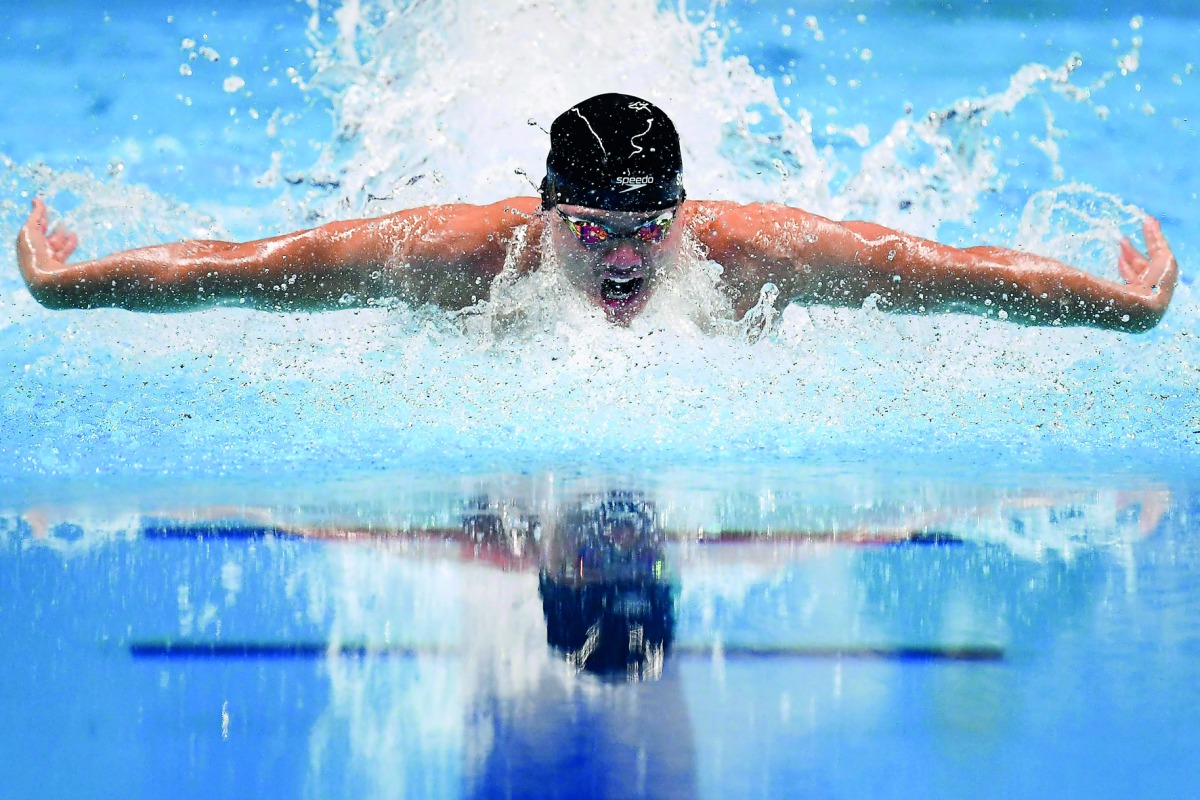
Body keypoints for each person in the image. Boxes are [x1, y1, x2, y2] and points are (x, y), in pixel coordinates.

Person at [15, 93, 1178, 331]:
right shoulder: (461, 258)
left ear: (684, 210)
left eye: (645, 230)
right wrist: (66, 283)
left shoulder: (756, 251)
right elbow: (241, 263)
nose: (624, 262)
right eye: (594, 231)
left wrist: (1125, 307)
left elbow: (959, 271)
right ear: (548, 211)